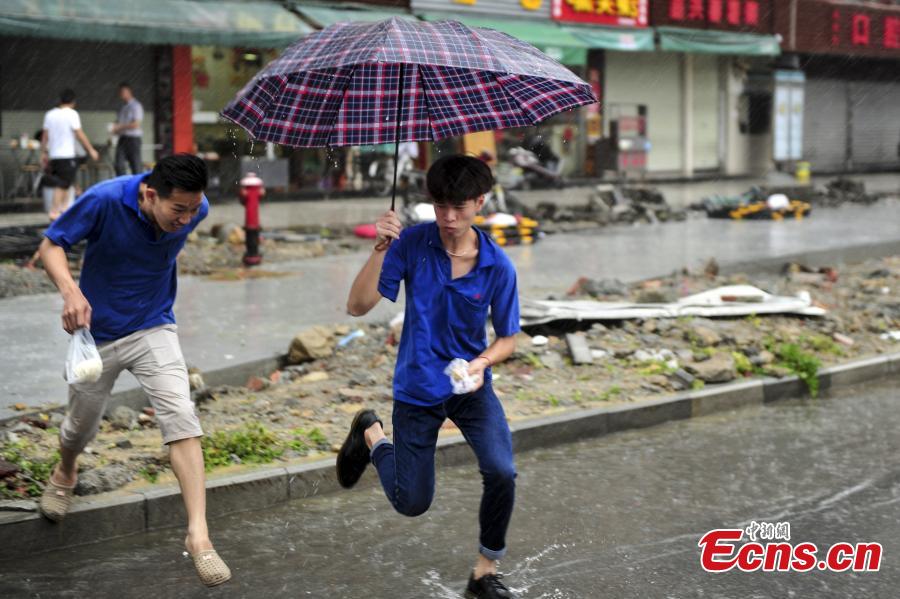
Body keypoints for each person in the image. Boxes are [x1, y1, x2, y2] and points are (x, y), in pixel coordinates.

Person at [36, 154, 231, 588]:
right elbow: (50, 245)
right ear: (149, 195)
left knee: (181, 416)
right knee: (79, 429)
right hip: (95, 333)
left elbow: (171, 236)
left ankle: (199, 534)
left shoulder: (197, 211)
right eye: (176, 209)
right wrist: (71, 292)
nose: (186, 219)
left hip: (153, 325)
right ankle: (66, 469)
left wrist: (184, 214)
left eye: (192, 209)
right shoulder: (104, 200)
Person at [340, 155, 521, 598]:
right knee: (412, 502)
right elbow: (357, 306)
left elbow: (508, 339)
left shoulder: (498, 266)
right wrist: (380, 248)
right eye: (440, 206)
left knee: (502, 471)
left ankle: (484, 572)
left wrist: (480, 364)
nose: (449, 217)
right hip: (418, 389)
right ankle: (372, 435)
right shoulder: (413, 245)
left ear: (481, 201)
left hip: (470, 389)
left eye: (459, 206)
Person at [41, 88, 99, 220]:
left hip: (54, 156)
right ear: (73, 101)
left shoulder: (50, 114)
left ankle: (64, 210)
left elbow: (45, 136)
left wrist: (43, 152)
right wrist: (91, 149)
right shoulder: (72, 114)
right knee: (63, 184)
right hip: (66, 155)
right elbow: (79, 134)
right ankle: (55, 211)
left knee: (66, 183)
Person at [112, 82, 144, 176]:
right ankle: (123, 185)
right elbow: (119, 123)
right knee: (118, 165)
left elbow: (136, 124)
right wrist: (114, 129)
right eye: (120, 92)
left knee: (135, 165)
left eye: (123, 91)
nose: (121, 94)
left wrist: (120, 126)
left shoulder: (136, 106)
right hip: (122, 138)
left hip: (133, 139)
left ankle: (138, 187)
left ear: (129, 91)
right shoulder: (123, 107)